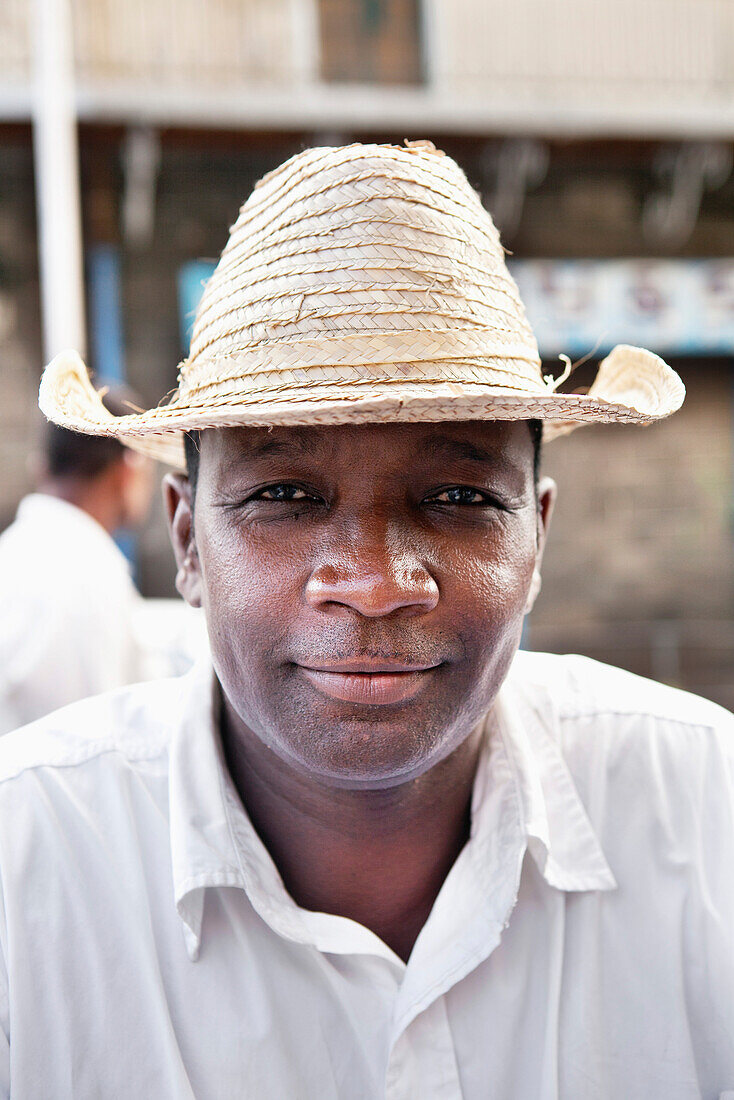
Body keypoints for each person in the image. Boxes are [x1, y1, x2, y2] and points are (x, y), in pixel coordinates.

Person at [0, 142, 731, 1098]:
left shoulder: (707, 814)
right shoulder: (25, 871)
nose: (376, 583)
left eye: (460, 498)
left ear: (536, 537)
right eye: (287, 494)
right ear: (185, 541)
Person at [0, 391, 156, 734]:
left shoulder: (18, 552)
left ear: (41, 468)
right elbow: (89, 747)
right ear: (129, 470)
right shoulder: (82, 574)